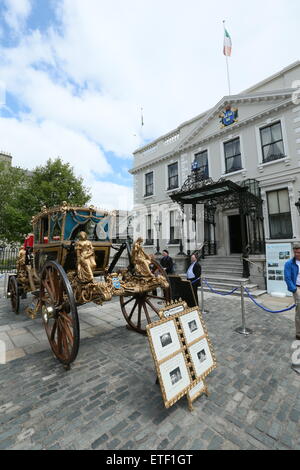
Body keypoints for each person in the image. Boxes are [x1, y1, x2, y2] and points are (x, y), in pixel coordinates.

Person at [284, 243, 300, 340]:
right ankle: (299, 333)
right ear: (294, 252)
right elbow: (287, 277)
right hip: (297, 288)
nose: (298, 254)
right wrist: (294, 289)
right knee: (299, 312)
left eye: (299, 252)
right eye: (296, 252)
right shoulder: (289, 263)